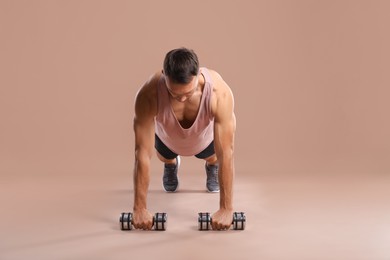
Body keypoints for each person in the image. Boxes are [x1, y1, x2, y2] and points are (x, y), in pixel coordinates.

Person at [132, 47, 236, 230]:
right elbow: (141, 153)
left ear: (197, 74)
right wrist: (139, 208)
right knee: (163, 156)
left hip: (204, 139)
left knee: (215, 157)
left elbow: (226, 152)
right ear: (164, 76)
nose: (181, 100)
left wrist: (226, 209)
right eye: (174, 94)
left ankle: (211, 166)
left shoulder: (219, 93)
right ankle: (171, 164)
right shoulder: (148, 95)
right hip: (167, 138)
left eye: (188, 93)